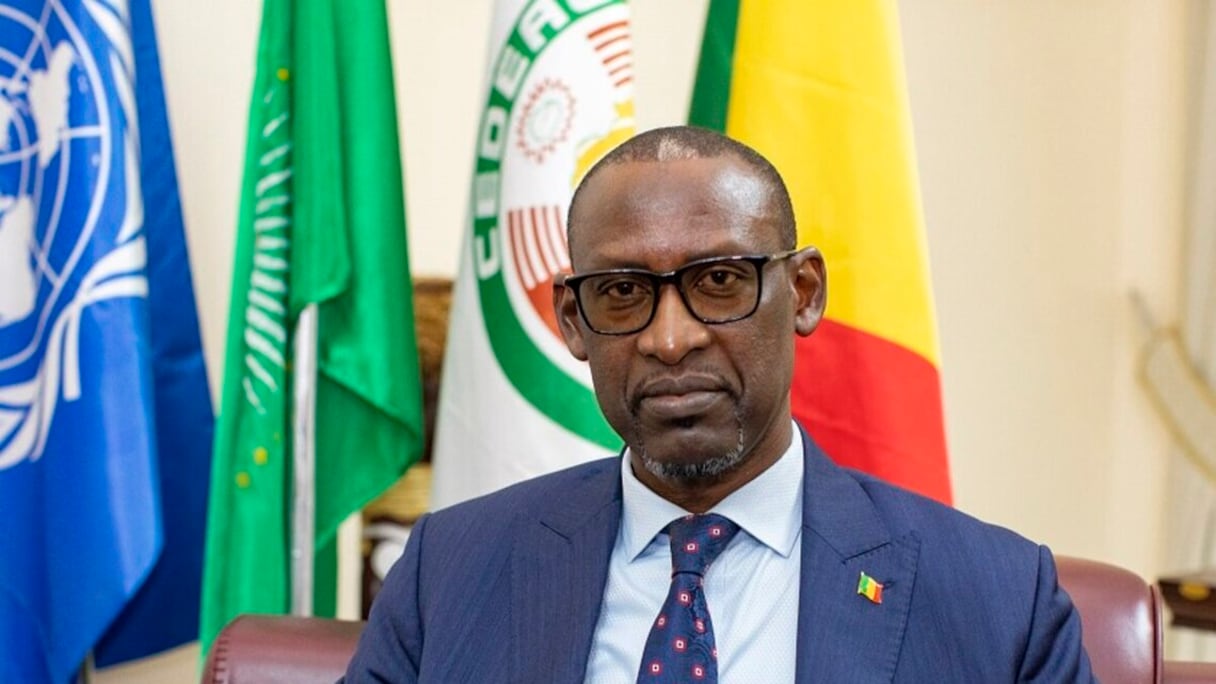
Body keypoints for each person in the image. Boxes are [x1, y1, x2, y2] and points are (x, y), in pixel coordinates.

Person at [341, 126, 1094, 683]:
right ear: (573, 321)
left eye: (720, 282)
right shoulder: (453, 572)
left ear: (803, 293)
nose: (670, 340)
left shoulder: (997, 600)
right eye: (623, 292)